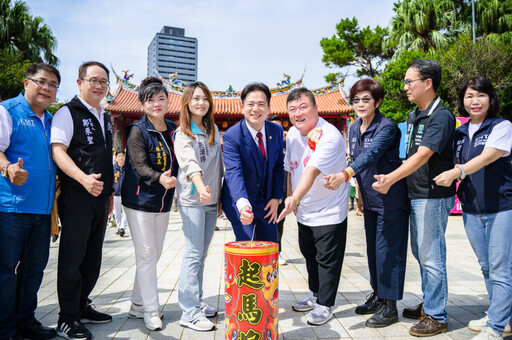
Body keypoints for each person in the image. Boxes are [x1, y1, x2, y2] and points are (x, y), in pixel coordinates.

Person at [372, 59, 455, 337]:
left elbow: (422, 156)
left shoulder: (441, 116)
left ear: (428, 83)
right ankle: (430, 303)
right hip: (415, 195)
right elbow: (407, 153)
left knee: (431, 255)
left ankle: (437, 316)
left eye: (410, 81)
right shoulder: (414, 115)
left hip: (432, 196)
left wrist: (391, 178)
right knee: (421, 253)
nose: (405, 86)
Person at [324, 79, 409, 328]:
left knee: (388, 253)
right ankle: (379, 295)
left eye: (366, 99)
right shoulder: (353, 128)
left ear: (378, 102)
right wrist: (359, 194)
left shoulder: (388, 128)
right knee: (373, 251)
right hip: (370, 201)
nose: (360, 104)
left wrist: (344, 175)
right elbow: (359, 160)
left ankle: (391, 306)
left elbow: (371, 156)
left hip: (391, 201)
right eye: (356, 100)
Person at [434, 77, 512, 340]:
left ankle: (495, 328)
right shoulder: (458, 134)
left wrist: (458, 171)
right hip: (471, 208)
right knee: (486, 266)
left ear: (491, 99)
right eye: (469, 96)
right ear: (462, 101)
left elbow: (488, 156)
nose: (474, 101)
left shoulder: (501, 127)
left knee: (501, 268)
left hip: (501, 206)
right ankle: (502, 315)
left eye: (480, 95)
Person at [51, 61, 114, 340]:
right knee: (73, 257)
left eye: (103, 81)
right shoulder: (68, 112)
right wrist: (83, 179)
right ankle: (67, 318)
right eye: (93, 80)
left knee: (92, 257)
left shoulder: (104, 115)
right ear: (79, 83)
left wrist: (108, 193)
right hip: (77, 195)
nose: (99, 85)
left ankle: (81, 305)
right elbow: (59, 151)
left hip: (100, 198)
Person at [278, 87, 349, 326]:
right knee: (309, 254)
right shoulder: (293, 134)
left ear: (316, 109)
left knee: (327, 258)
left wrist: (294, 199)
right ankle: (315, 293)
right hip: (304, 208)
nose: (298, 113)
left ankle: (325, 304)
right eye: (292, 109)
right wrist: (292, 198)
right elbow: (291, 169)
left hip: (329, 209)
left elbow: (311, 171)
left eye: (303, 107)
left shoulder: (329, 135)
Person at [0, 63, 60, 340]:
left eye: (53, 85)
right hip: (11, 207)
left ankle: (26, 321)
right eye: (42, 82)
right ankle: (6, 328)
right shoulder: (8, 110)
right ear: (26, 83)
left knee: (34, 270)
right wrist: (7, 168)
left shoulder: (52, 120)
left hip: (42, 208)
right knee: (7, 272)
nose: (47, 88)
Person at [121, 77, 178, 331]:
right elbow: (139, 165)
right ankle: (151, 311)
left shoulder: (174, 128)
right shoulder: (137, 130)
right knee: (146, 255)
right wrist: (160, 177)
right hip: (139, 200)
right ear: (142, 103)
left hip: (163, 201)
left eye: (161, 98)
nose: (157, 104)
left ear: (168, 100)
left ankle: (136, 305)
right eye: (150, 99)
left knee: (152, 255)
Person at [174, 82, 224, 332]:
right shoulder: (183, 131)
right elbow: (189, 162)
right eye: (196, 99)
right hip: (193, 200)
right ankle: (189, 312)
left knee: (202, 255)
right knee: (194, 253)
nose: (201, 103)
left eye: (205, 99)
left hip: (211, 201)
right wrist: (200, 185)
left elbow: (220, 166)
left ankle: (197, 301)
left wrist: (219, 195)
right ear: (187, 103)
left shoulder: (212, 128)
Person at [221, 83, 284, 242]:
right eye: (250, 104)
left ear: (269, 108)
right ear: (242, 107)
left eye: (261, 104)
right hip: (240, 199)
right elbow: (234, 172)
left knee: (270, 245)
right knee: (248, 244)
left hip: (266, 201)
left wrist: (276, 198)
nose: (255, 109)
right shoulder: (232, 136)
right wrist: (243, 204)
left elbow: (278, 167)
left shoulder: (276, 131)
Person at [268, 114, 288, 265]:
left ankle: (277, 251)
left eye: (279, 127)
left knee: (279, 222)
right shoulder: (264, 144)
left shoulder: (288, 145)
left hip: (283, 190)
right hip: (266, 191)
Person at [113, 150, 127, 237]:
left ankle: (122, 228)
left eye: (122, 156)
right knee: (117, 213)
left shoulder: (128, 168)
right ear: (116, 158)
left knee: (125, 212)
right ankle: (119, 227)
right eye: (119, 156)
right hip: (116, 194)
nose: (121, 158)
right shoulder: (113, 168)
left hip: (126, 194)